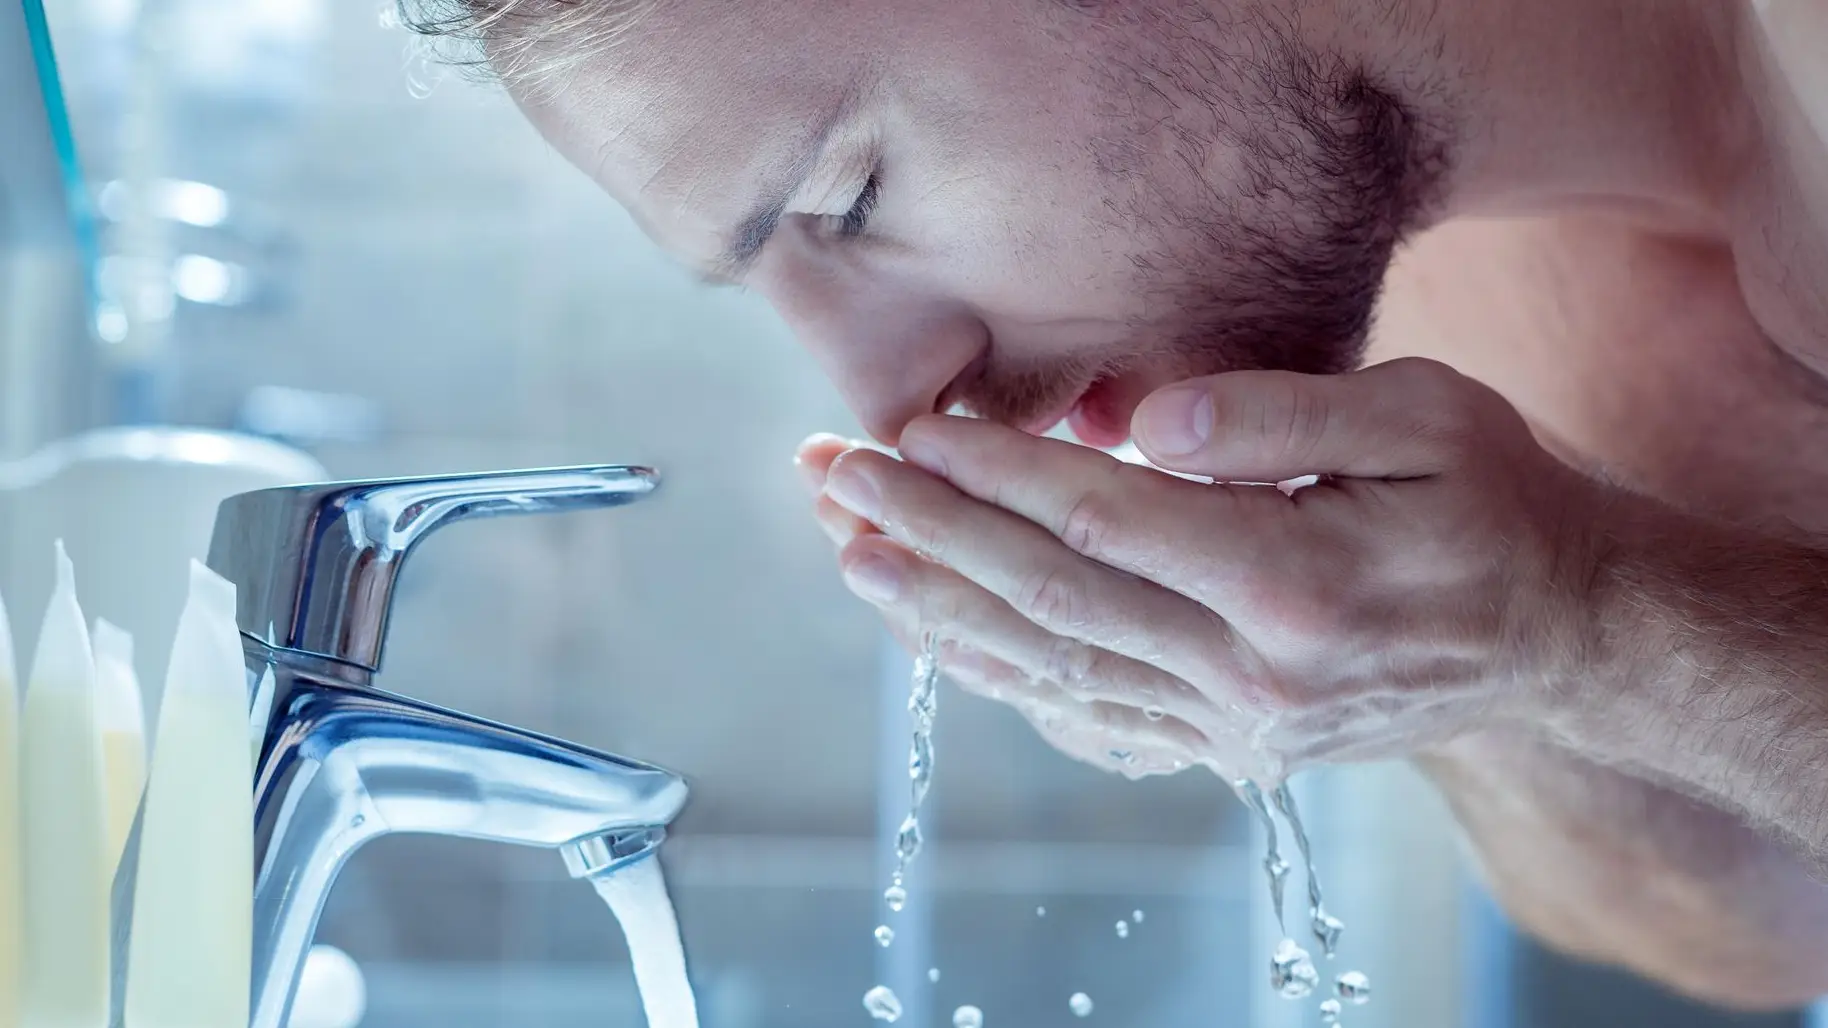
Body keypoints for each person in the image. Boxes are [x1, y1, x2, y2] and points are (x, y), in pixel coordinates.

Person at [402, 0, 1828, 1008]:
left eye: (849, 199)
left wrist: (1591, 621)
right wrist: (1427, 658)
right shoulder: (1444, 293)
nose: (891, 398)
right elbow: (1770, 929)